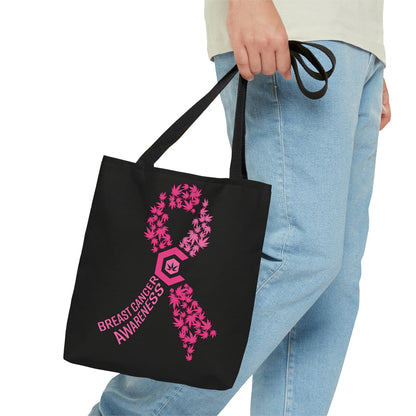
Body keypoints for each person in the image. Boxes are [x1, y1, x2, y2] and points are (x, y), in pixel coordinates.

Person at [89, 1, 391, 414]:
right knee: (296, 257)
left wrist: (365, 50)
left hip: (351, 40)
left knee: (329, 292)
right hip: (292, 23)